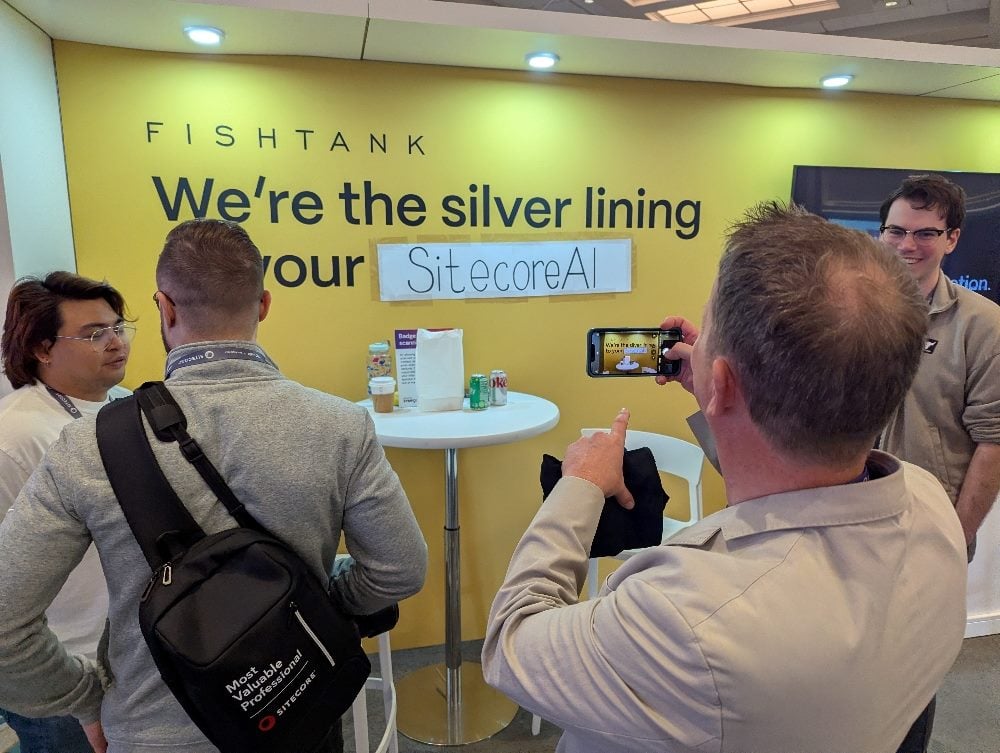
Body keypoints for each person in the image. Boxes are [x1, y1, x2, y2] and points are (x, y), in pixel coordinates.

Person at [482, 202, 968, 753]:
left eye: (708, 323)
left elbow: (511, 646)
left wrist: (581, 484)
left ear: (725, 379)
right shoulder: (932, 505)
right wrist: (720, 400)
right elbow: (789, 474)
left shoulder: (684, 619)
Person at [0, 219, 428, 753]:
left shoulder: (86, 446)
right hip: (296, 704)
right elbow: (400, 570)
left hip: (154, 729)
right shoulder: (338, 425)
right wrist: (322, 604)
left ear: (165, 307)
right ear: (264, 304)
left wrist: (90, 696)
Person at [877, 175, 1000, 753]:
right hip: (846, 521)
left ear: (951, 239)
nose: (907, 244)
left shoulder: (984, 326)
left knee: (909, 679)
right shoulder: (851, 313)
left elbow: (994, 442)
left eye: (925, 233)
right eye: (896, 230)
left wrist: (957, 533)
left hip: (929, 531)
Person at [0, 272, 133, 753]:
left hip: (130, 657)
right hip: (64, 671)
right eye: (95, 333)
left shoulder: (128, 407)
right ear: (41, 348)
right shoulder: (15, 435)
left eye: (118, 327)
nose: (116, 342)